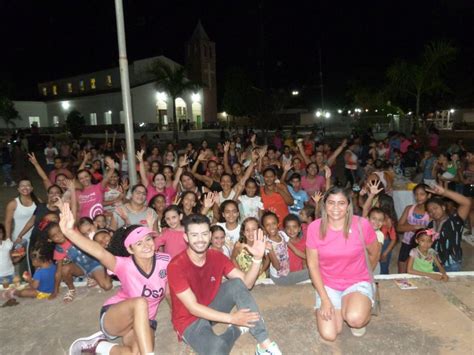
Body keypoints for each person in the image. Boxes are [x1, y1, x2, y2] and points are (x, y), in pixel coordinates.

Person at [58, 203, 170, 355]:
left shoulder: (165, 261)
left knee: (134, 353)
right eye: (139, 243)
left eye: (148, 239)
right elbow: (99, 252)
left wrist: (178, 318)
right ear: (130, 249)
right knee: (140, 302)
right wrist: (69, 232)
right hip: (117, 316)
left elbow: (169, 291)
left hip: (146, 320)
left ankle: (97, 346)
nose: (146, 245)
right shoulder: (124, 265)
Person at [167, 214, 282, 355]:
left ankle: (265, 345)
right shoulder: (176, 265)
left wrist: (257, 259)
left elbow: (246, 284)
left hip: (212, 306)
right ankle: (237, 329)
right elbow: (193, 308)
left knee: (236, 284)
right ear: (186, 237)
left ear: (209, 235)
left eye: (204, 234)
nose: (200, 240)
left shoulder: (217, 257)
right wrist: (232, 319)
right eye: (194, 235)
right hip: (188, 320)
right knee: (217, 349)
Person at [306, 186, 381, 341]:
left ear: (348, 206)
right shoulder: (314, 228)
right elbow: (312, 265)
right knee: (331, 334)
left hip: (356, 282)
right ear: (324, 205)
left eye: (341, 203)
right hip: (328, 284)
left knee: (355, 319)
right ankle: (332, 305)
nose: (335, 208)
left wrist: (366, 276)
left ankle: (360, 304)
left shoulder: (361, 224)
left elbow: (374, 252)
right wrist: (325, 300)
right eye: (331, 202)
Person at [425, 184, 471, 271]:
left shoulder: (454, 220)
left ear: (443, 207)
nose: (433, 212)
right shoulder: (431, 224)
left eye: (435, 208)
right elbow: (428, 241)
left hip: (452, 263)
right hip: (434, 262)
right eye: (430, 211)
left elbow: (467, 203)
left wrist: (445, 192)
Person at [397, 184, 431, 273]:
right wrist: (414, 227)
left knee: (418, 269)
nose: (418, 197)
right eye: (416, 194)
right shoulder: (409, 208)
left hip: (423, 245)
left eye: (422, 194)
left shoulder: (431, 212)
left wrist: (407, 227)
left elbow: (433, 232)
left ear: (429, 195)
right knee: (402, 267)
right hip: (407, 242)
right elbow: (398, 227)